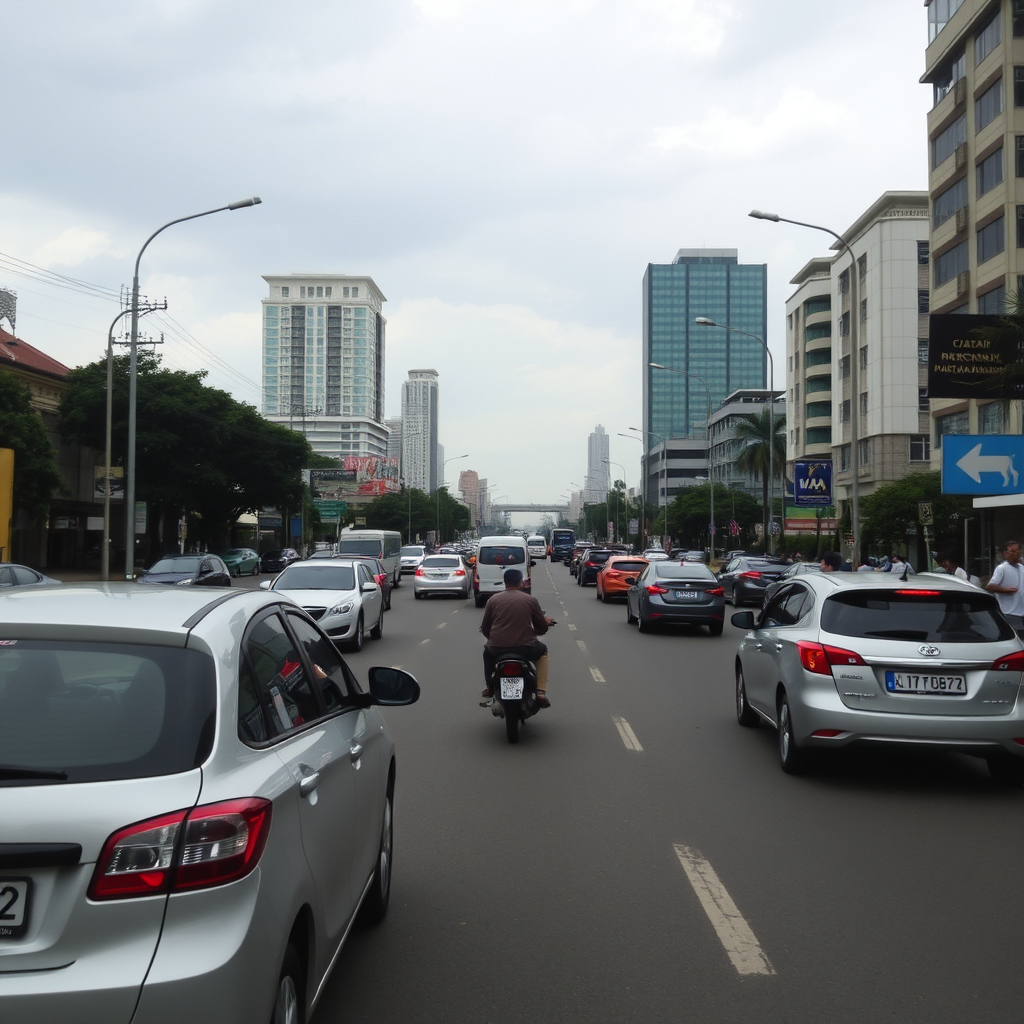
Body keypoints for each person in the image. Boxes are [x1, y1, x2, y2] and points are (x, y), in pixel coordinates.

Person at [480, 568, 556, 708]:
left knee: (487, 654)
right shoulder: (530, 600)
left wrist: (492, 640)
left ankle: (490, 687)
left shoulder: (493, 600)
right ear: (521, 582)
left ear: (505, 582)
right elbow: (541, 626)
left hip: (497, 648)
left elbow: (485, 628)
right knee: (543, 654)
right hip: (525, 647)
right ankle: (540, 691)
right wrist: (541, 627)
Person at [986, 540, 1024, 630]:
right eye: (1012, 551)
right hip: (1009, 612)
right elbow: (990, 587)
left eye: (1017, 551)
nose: (1016, 554)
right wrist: (1006, 590)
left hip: (1021, 612)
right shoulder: (1002, 568)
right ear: (1005, 553)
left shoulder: (1021, 567)